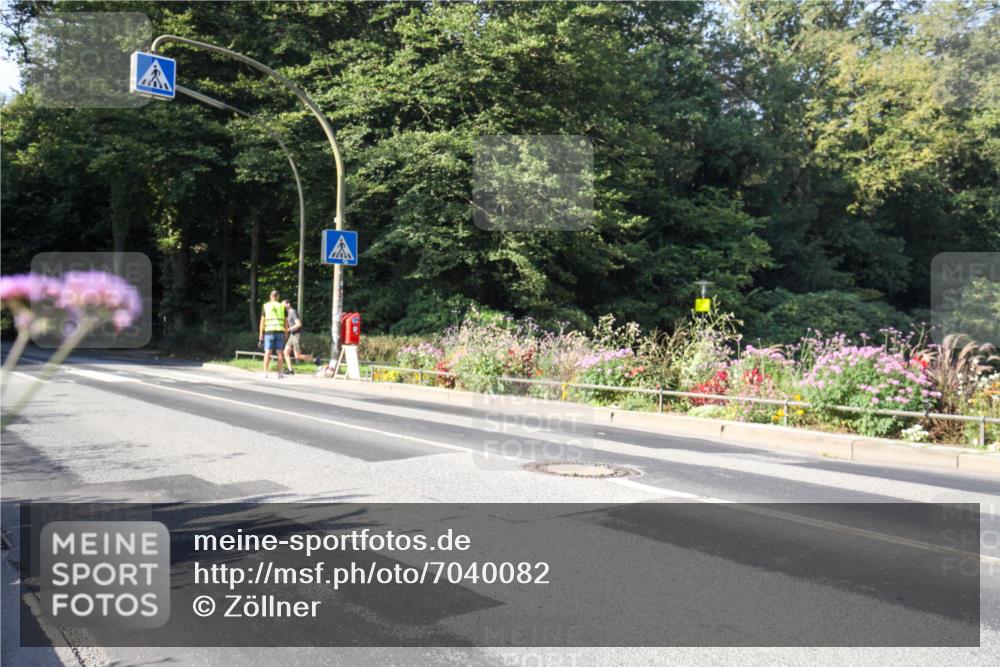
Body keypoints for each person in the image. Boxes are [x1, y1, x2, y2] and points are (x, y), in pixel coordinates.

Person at [258, 290, 288, 378]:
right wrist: (286, 332)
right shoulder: (282, 306)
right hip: (279, 331)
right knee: (279, 353)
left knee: (267, 352)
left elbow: (262, 322)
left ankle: (265, 372)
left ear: (270, 296)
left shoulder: (265, 306)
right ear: (278, 297)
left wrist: (260, 334)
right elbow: (286, 322)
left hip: (269, 332)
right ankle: (280, 373)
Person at [282, 299, 314, 373]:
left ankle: (315, 360)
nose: (282, 306)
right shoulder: (287, 313)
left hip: (296, 334)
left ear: (288, 304)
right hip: (292, 335)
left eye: (283, 304)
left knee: (297, 356)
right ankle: (290, 370)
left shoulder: (292, 312)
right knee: (286, 352)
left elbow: (299, 324)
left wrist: (289, 329)